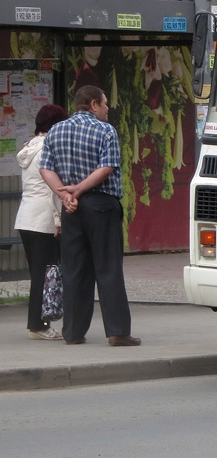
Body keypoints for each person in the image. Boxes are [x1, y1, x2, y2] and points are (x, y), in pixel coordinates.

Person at [39, 85, 140, 347]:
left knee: (75, 270)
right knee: (108, 268)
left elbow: (46, 169)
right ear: (93, 104)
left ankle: (72, 332)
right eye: (105, 104)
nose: (108, 109)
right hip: (102, 205)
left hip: (71, 209)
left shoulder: (56, 130)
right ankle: (117, 332)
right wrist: (80, 188)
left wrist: (65, 195)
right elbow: (107, 167)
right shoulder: (105, 130)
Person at [14, 104, 69, 340]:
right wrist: (59, 221)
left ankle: (37, 322)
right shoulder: (48, 148)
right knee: (43, 275)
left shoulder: (30, 147)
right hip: (43, 219)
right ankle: (38, 325)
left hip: (25, 216)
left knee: (37, 273)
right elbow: (52, 190)